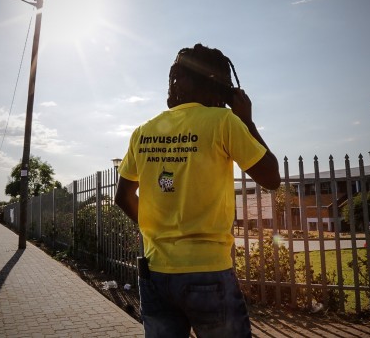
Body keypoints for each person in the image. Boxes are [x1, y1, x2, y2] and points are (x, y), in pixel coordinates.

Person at [115, 43, 281, 337]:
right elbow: (271, 178)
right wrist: (248, 121)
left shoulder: (143, 131)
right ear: (216, 85)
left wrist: (158, 231)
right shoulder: (223, 122)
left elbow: (123, 196)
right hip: (208, 273)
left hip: (154, 273)